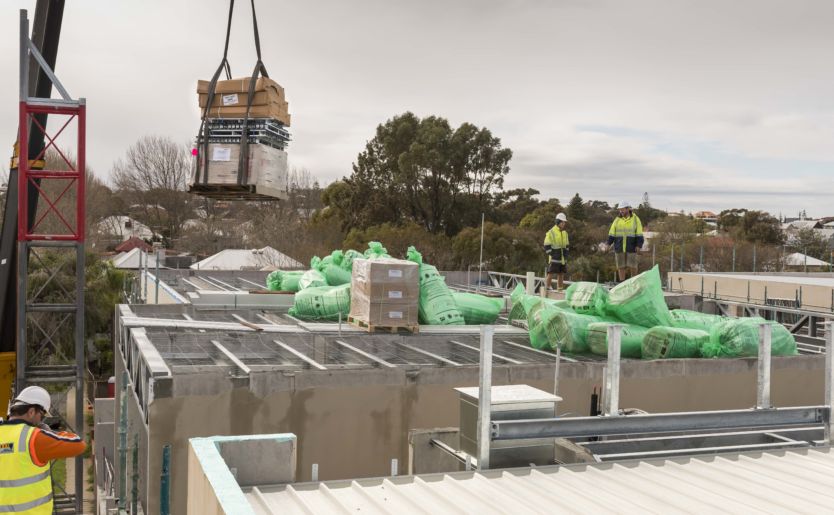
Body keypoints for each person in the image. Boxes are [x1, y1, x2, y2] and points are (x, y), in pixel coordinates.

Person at [0, 386, 86, 514]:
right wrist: (49, 432)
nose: (42, 419)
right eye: (42, 414)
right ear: (31, 412)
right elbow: (79, 444)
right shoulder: (34, 438)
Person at [608, 200, 644, 282]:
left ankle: (633, 282)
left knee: (633, 265)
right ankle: (622, 282)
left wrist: (639, 245)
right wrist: (608, 243)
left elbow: (639, 234)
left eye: (622, 209)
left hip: (631, 246)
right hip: (619, 246)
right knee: (621, 266)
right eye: (620, 209)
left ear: (628, 209)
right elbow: (611, 233)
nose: (621, 211)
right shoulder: (617, 220)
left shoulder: (635, 219)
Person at [543, 212, 569, 292]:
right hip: (555, 256)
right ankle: (547, 287)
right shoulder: (551, 232)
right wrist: (552, 253)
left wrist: (566, 255)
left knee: (561, 273)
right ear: (558, 222)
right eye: (562, 222)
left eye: (564, 222)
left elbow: (567, 245)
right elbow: (546, 244)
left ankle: (560, 290)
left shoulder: (565, 233)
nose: (564, 224)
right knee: (551, 272)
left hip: (562, 257)